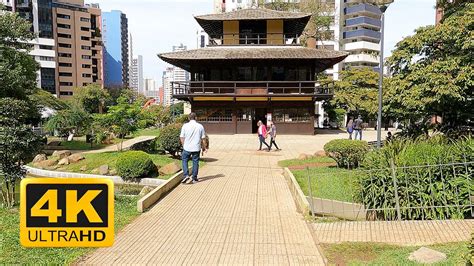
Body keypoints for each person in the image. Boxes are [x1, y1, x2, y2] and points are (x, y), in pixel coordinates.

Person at [180, 112, 206, 184]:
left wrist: (183, 145)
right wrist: (204, 147)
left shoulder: (185, 126)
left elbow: (182, 137)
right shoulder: (200, 126)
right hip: (196, 147)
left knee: (184, 160)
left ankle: (186, 175)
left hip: (187, 147)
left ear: (188, 118)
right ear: (196, 118)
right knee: (195, 162)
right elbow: (203, 138)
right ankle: (194, 178)